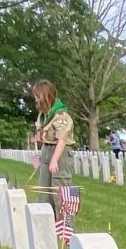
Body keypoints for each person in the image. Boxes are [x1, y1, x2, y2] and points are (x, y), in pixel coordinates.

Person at [32, 81, 75, 215]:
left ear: (44, 96)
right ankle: (47, 228)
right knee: (44, 192)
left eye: (37, 96)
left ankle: (67, 231)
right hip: (47, 150)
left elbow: (62, 139)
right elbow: (44, 138)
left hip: (60, 154)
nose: (35, 99)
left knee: (61, 194)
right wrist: (41, 156)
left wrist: (54, 159)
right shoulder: (44, 114)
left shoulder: (60, 114)